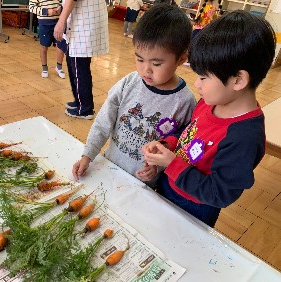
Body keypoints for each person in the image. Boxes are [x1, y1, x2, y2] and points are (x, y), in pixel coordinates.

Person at [142, 10, 276, 227]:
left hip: (195, 208)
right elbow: (189, 132)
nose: (197, 84)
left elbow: (219, 193)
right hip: (170, 183)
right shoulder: (210, 102)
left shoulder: (244, 138)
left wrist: (172, 164)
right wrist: (168, 145)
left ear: (238, 80)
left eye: (203, 77)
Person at [71, 4, 196, 187]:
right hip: (109, 167)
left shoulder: (185, 102)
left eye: (157, 63)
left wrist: (157, 168)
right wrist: (88, 155)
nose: (146, 70)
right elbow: (103, 121)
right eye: (139, 59)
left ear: (181, 60)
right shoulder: (130, 82)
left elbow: (177, 147)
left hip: (142, 185)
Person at [54, 0, 109, 119]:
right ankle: (80, 102)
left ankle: (85, 109)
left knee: (79, 68)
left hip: (83, 23)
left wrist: (61, 20)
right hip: (84, 20)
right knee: (75, 64)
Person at [29, 0, 66, 79]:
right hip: (44, 23)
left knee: (60, 46)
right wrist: (46, 11)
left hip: (58, 22)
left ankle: (59, 67)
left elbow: (62, 2)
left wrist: (60, 8)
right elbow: (31, 7)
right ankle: (44, 68)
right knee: (44, 46)